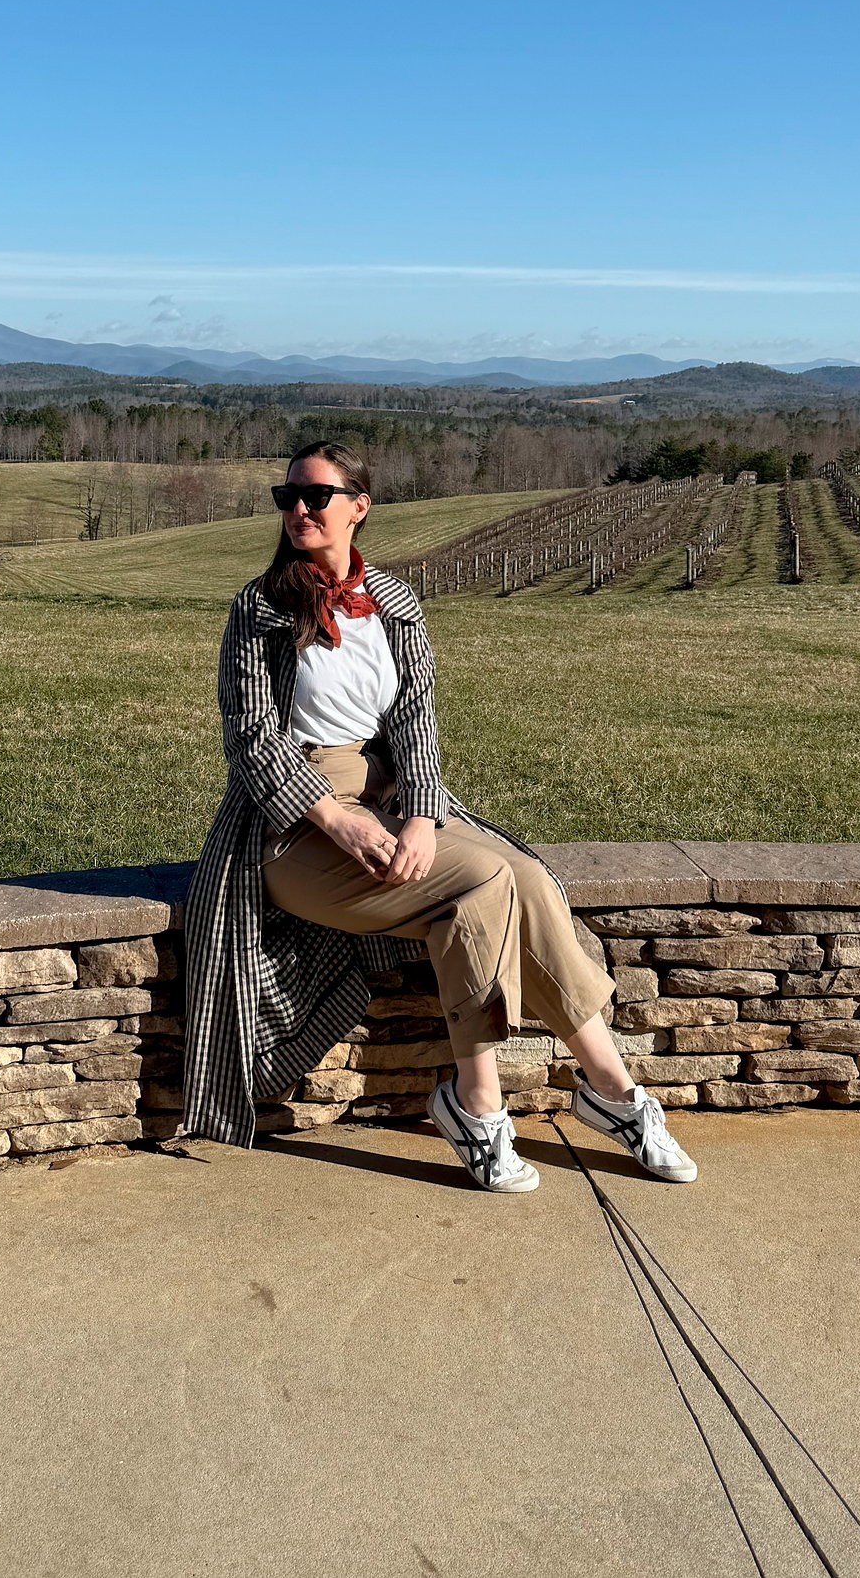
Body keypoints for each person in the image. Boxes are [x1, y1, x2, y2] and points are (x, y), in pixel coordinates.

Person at [180, 440, 698, 1194]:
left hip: (387, 793)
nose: (297, 510)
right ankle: (479, 1103)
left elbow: (417, 721)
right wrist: (339, 819)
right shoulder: (258, 610)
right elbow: (251, 740)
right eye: (285, 496)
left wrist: (421, 816)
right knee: (486, 881)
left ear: (357, 507)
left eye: (315, 496)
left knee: (522, 875)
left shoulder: (394, 604)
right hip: (292, 826)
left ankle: (609, 1088)